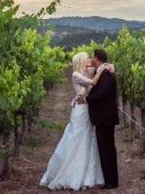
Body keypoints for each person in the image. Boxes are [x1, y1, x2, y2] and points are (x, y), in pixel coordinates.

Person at [40, 52, 113, 190]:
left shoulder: (88, 71)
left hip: (87, 109)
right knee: (77, 138)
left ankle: (87, 174)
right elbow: (93, 82)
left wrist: (109, 66)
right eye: (87, 58)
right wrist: (103, 68)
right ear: (81, 61)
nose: (90, 60)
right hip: (80, 111)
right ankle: (71, 174)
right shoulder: (76, 74)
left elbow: (98, 72)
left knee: (87, 139)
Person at [85, 49, 119, 190]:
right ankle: (110, 180)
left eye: (93, 57)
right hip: (105, 118)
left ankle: (111, 182)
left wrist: (87, 99)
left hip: (105, 119)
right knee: (107, 149)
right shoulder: (104, 72)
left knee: (106, 150)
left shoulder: (105, 75)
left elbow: (101, 94)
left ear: (97, 58)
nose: (92, 59)